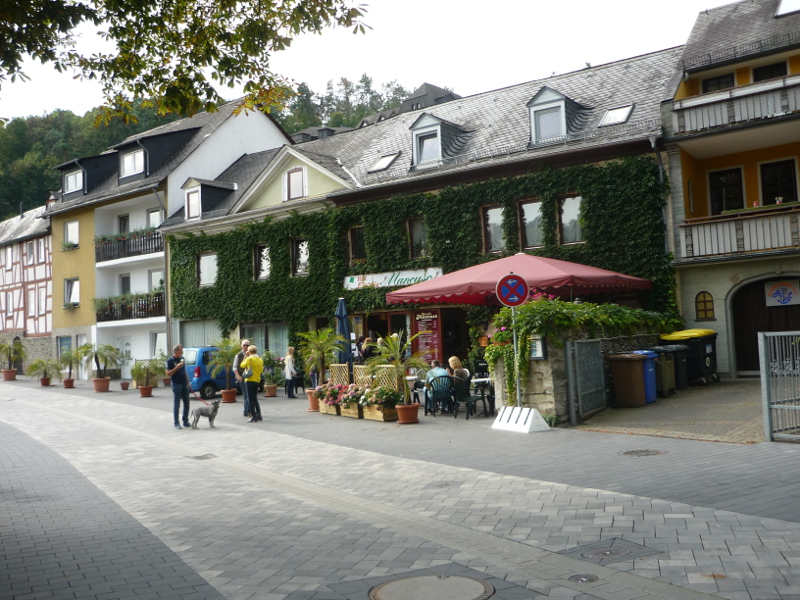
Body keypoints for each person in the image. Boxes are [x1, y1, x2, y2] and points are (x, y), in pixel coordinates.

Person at [166, 344, 192, 429]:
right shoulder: (170, 361)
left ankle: (185, 421)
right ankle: (176, 423)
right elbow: (168, 373)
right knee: (177, 404)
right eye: (181, 351)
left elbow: (184, 371)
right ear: (176, 351)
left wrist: (188, 381)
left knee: (187, 403)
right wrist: (177, 367)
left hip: (184, 383)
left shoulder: (182, 359)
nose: (182, 352)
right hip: (176, 384)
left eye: (182, 351)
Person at [240, 345, 264, 422]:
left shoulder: (249, 359)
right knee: (255, 398)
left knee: (250, 399)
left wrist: (245, 357)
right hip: (257, 380)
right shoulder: (260, 360)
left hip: (249, 380)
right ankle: (259, 414)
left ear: (249, 351)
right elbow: (261, 370)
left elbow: (242, 365)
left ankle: (254, 415)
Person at [233, 339, 251, 418]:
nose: (245, 347)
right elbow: (234, 367)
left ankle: (247, 411)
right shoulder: (238, 355)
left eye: (247, 345)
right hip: (242, 377)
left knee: (249, 395)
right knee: (246, 395)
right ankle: (247, 411)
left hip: (250, 377)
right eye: (244, 345)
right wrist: (238, 376)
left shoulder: (251, 354)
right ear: (242, 346)